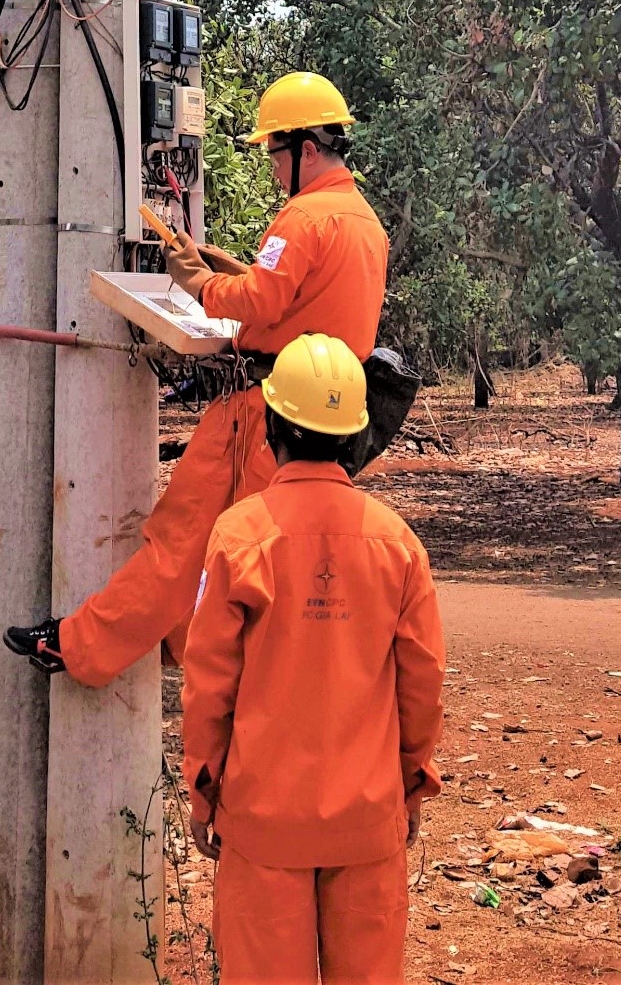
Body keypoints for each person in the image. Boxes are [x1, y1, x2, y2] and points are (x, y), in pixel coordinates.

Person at [5, 72, 389, 684]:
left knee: (179, 542)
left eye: (273, 152)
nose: (270, 165)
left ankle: (80, 646)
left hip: (264, 411)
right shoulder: (363, 222)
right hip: (322, 421)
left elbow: (262, 303)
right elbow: (304, 299)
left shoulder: (302, 219)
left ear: (306, 150)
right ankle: (179, 648)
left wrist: (198, 284)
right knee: (246, 554)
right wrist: (222, 267)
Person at [183, 333, 445, 984]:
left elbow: (208, 681)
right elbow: (422, 682)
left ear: (273, 424)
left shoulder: (240, 537)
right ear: (355, 434)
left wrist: (203, 788)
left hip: (264, 827)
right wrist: (411, 785)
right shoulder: (397, 546)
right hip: (366, 827)